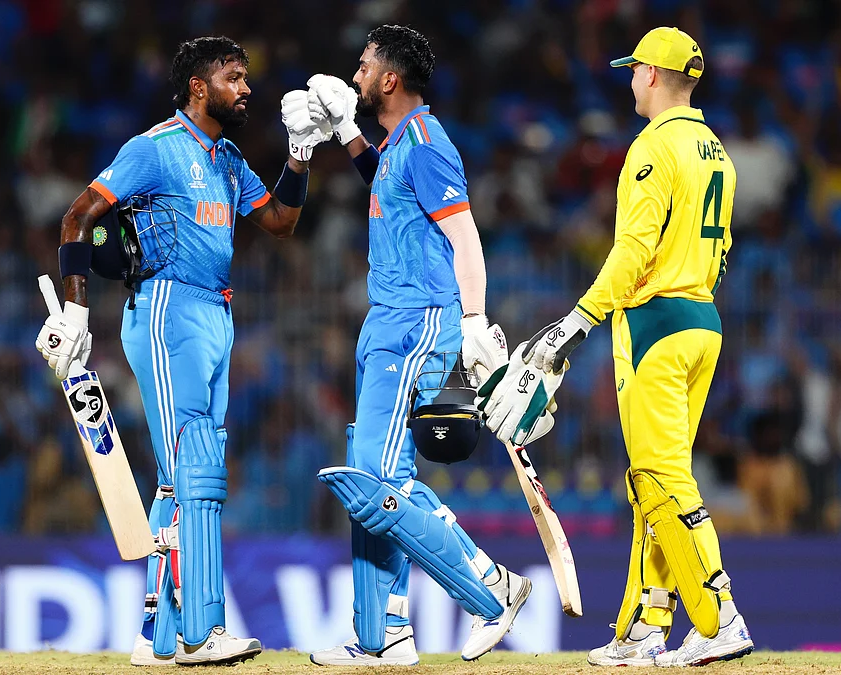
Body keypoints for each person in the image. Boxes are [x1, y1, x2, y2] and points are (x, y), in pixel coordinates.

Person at [34, 36, 328, 666]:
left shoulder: (224, 156)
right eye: (235, 77)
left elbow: (280, 221)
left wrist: (300, 156)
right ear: (200, 85)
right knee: (197, 468)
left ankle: (157, 634)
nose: (247, 88)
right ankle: (202, 631)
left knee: (179, 476)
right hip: (168, 311)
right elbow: (77, 217)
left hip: (216, 313)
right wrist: (79, 310)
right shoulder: (156, 148)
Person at [489, 28, 756, 666]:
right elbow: (715, 250)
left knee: (660, 478)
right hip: (702, 320)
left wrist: (576, 322)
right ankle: (643, 627)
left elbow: (633, 252)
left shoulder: (652, 147)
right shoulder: (715, 149)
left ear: (656, 76)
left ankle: (719, 620)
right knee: (650, 481)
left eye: (635, 70)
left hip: (655, 327)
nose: (630, 79)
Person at [301, 25, 536, 665]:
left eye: (363, 67)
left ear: (391, 78)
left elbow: (465, 240)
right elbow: (385, 184)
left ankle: (493, 589)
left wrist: (475, 319)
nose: (355, 77)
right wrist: (345, 132)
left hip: (417, 321)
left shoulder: (429, 144)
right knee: (383, 480)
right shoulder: (402, 144)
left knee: (372, 478)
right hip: (389, 320)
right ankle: (386, 637)